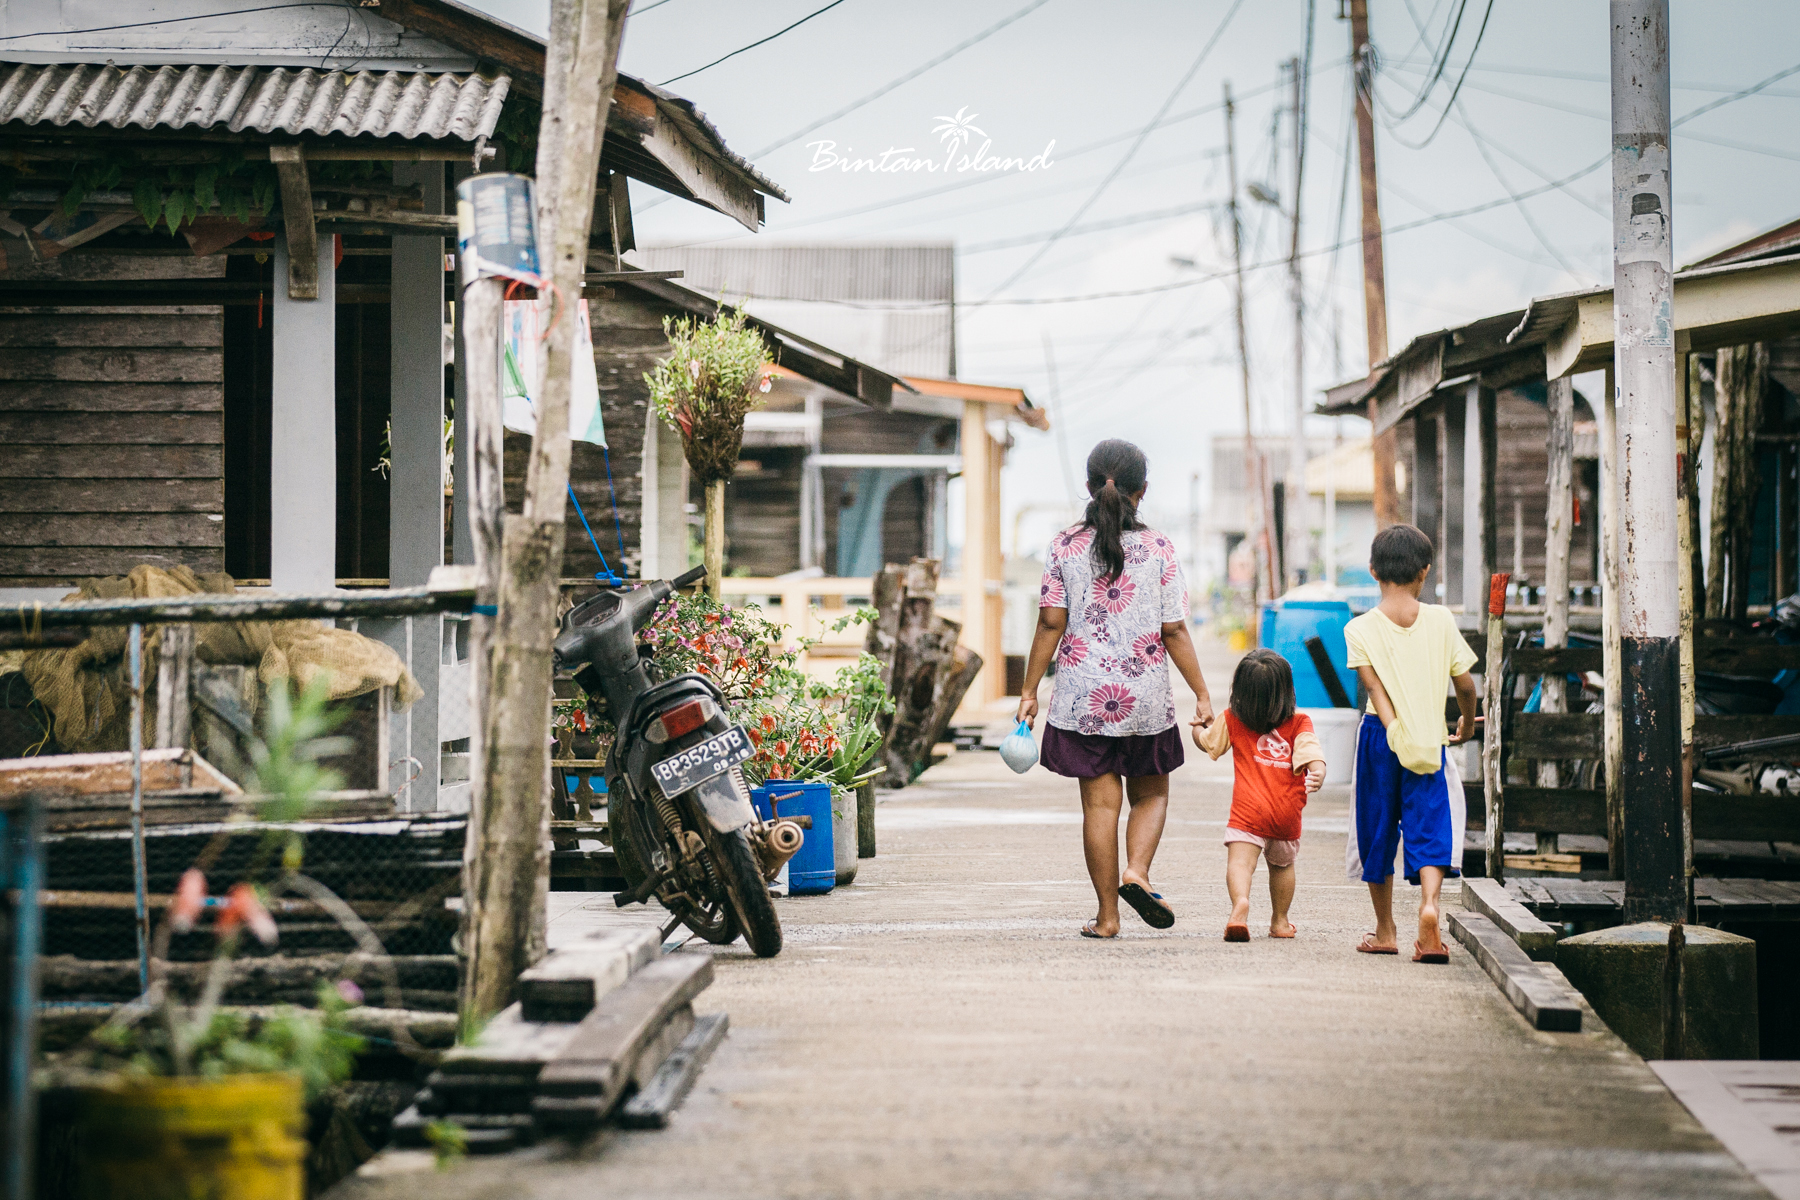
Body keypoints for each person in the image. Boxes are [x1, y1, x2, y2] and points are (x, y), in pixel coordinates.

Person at [1017, 439, 1215, 939]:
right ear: (1141, 491)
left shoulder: (1064, 545)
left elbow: (1049, 623)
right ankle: (1138, 872)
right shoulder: (1159, 548)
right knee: (1151, 796)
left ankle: (1107, 918)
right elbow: (1174, 630)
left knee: (1100, 808)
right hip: (1145, 699)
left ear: (1088, 487)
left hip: (1083, 699)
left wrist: (1029, 690)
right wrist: (1203, 695)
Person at [1342, 524, 1479, 963]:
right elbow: (1466, 685)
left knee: (1377, 827)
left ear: (1372, 571)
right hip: (1428, 736)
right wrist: (1465, 724)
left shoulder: (1359, 628)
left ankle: (1385, 931)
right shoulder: (1441, 620)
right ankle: (1430, 908)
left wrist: (1394, 729)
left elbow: (1375, 690)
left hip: (1381, 738)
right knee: (1430, 822)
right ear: (1425, 572)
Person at [1193, 649, 1325, 942]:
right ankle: (1280, 921)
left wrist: (1199, 729)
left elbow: (1206, 743)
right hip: (1286, 812)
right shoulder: (1300, 722)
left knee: (1240, 864)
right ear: (1287, 691)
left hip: (1247, 811)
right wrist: (1317, 772)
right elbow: (1311, 754)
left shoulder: (1232, 719)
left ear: (1239, 690)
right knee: (1282, 866)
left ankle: (1240, 904)